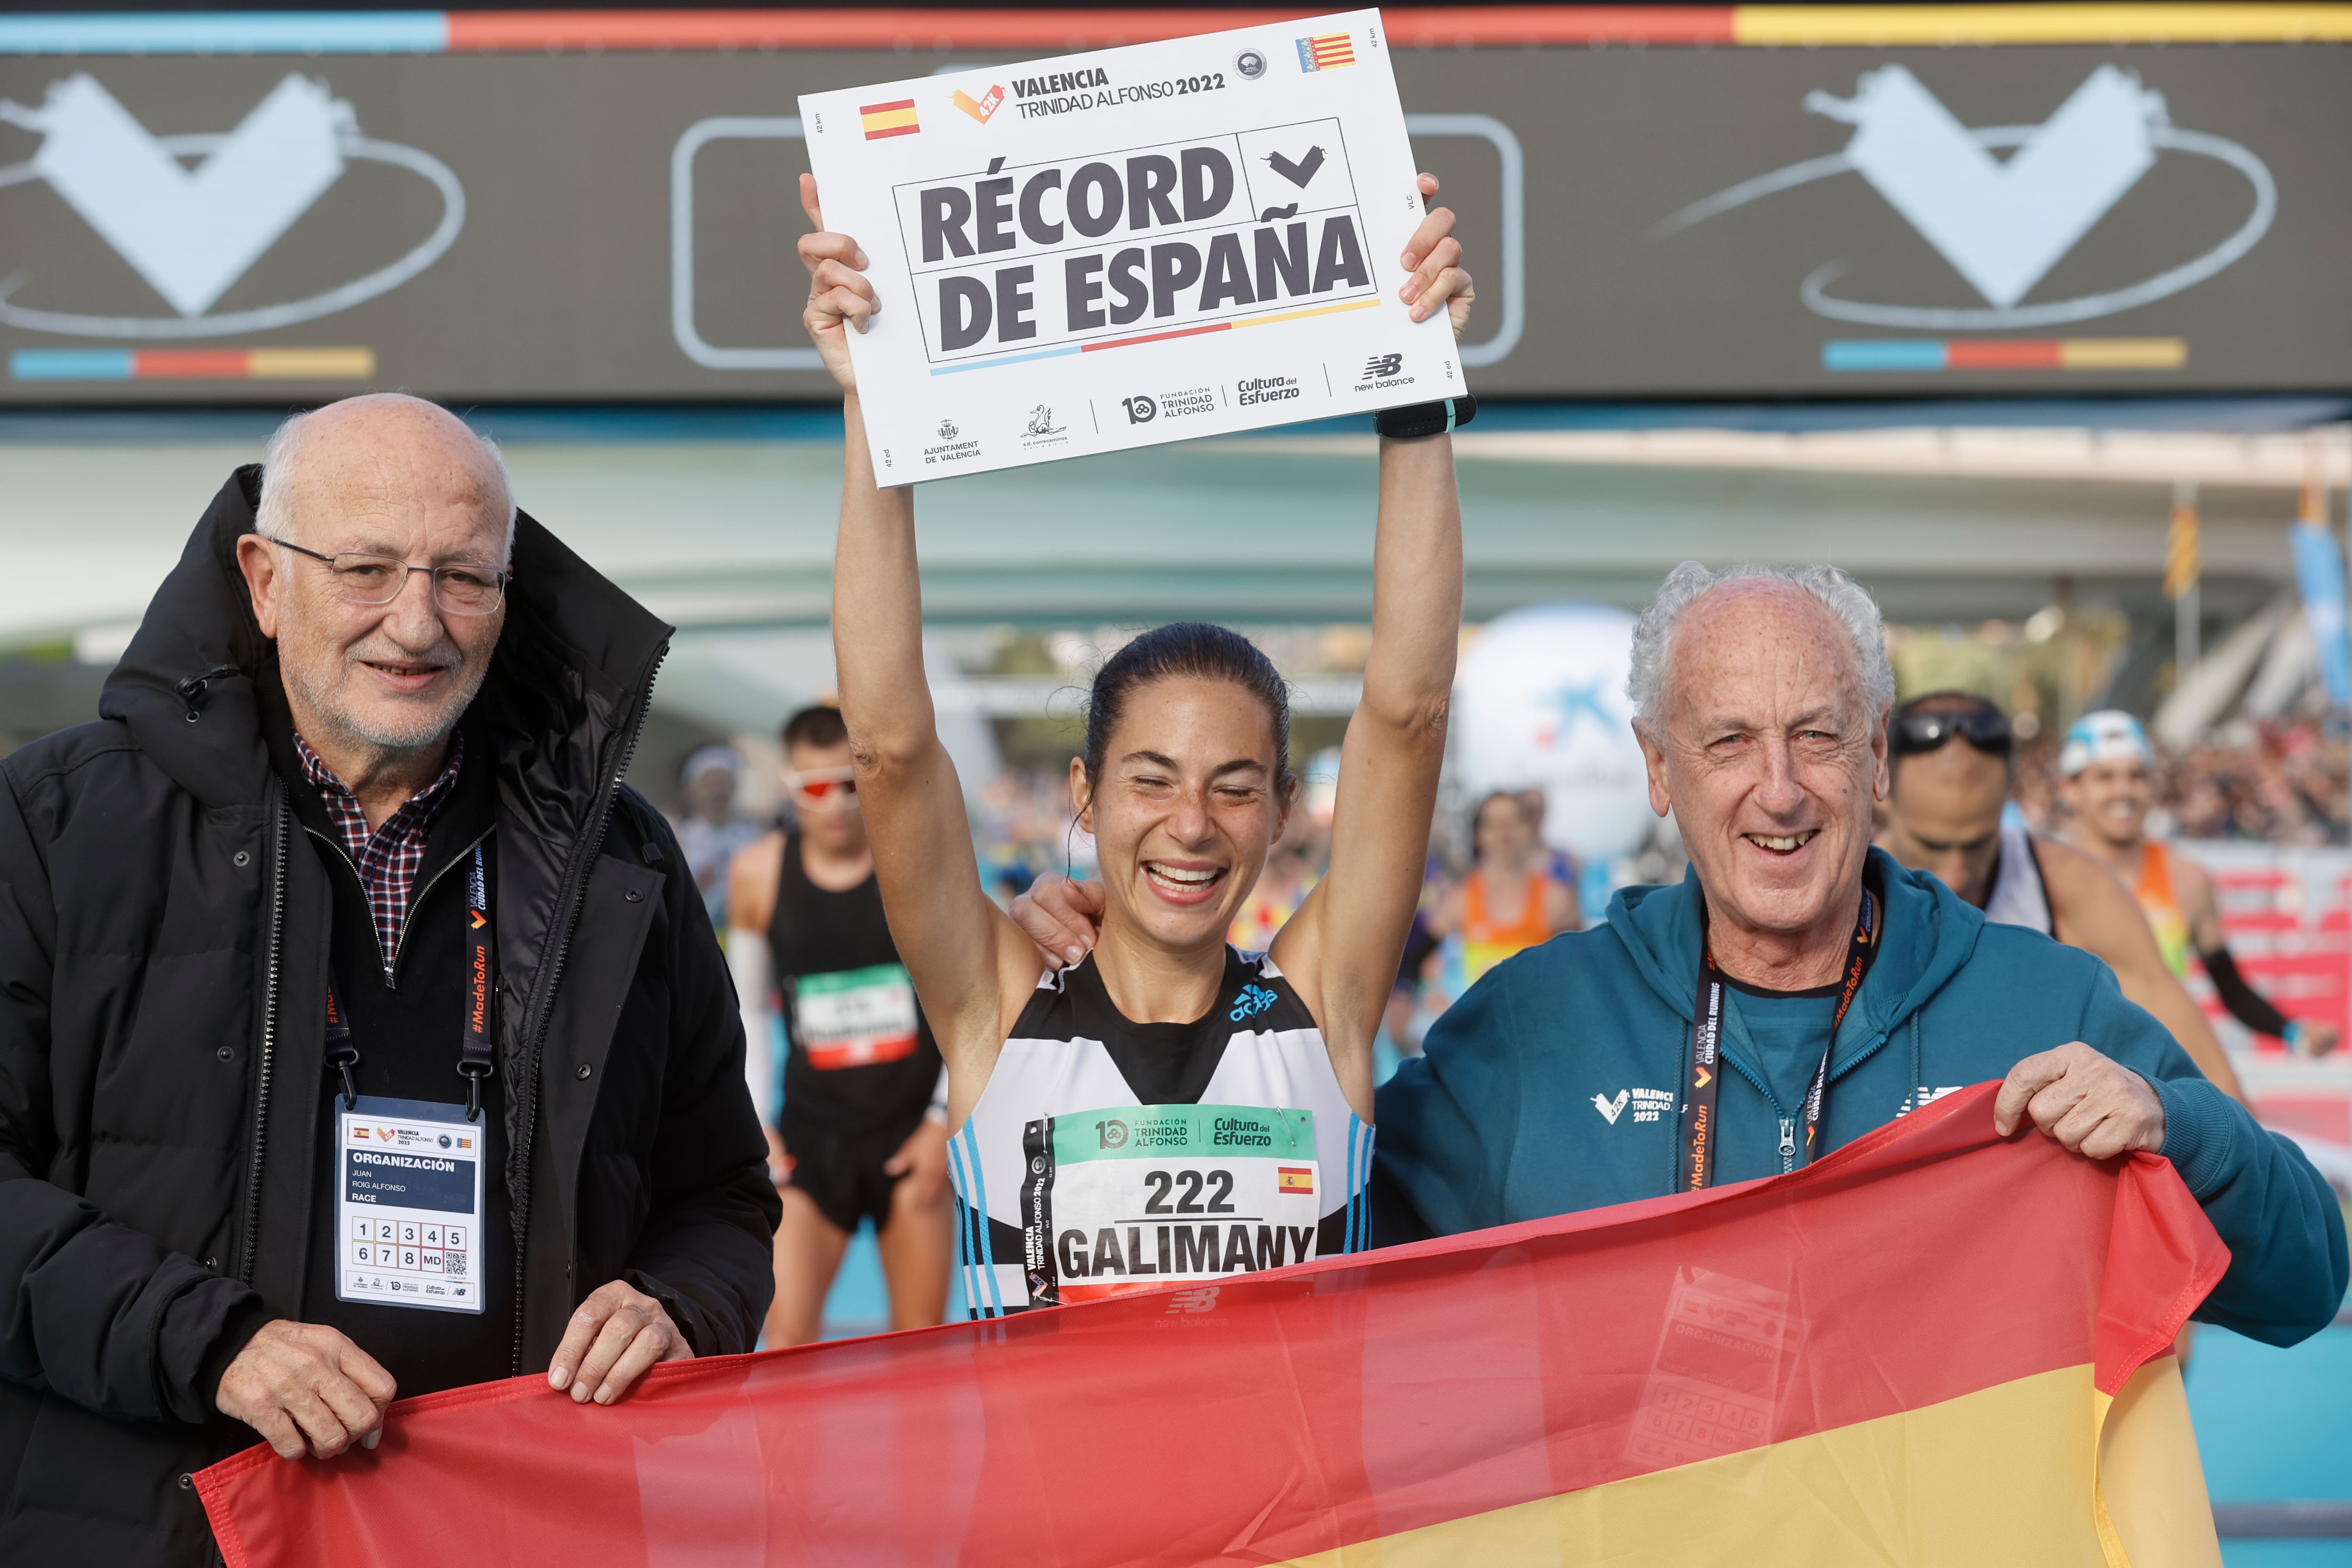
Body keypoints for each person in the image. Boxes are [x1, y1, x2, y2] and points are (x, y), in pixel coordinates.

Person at [0, 395, 779, 1562]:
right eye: (366, 568)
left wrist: (682, 1308)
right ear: (264, 580)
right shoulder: (57, 823)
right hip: (157, 1527)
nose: (416, 623)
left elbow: (721, 1196)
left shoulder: (621, 859)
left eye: (463, 577)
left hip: (516, 1526)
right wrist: (209, 1342)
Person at [798, 168, 1474, 1314]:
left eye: (1232, 787)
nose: (1191, 825)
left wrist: (1414, 392)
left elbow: (1405, 713)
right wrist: (877, 408)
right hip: (1045, 1507)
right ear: (1086, 793)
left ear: (1282, 809)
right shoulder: (997, 1010)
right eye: (1150, 781)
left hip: (1305, 1508)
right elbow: (891, 750)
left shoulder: (1328, 1000)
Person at [1369, 562, 2344, 1347]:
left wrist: (2179, 1126)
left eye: (1816, 735)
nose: (1780, 788)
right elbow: (1307, 1259)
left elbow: (2303, 1281)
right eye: (1730, 741)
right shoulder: (1532, 1030)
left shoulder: (2046, 1003)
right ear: (1658, 766)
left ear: (1876, 755)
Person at [1876, 691, 2247, 1099]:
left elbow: (2206, 1076)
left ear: (2008, 799)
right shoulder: (1848, 887)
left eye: (1978, 844)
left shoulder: (2069, 884)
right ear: (1880, 790)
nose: (1957, 874)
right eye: (1932, 846)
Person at [726, 704, 952, 1344]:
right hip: (810, 1140)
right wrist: (756, 1127)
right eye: (815, 788)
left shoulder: (916, 865)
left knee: (923, 1355)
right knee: (783, 1350)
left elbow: (967, 1002)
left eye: (850, 784)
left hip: (909, 1139)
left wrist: (941, 1123)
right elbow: (745, 1010)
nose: (834, 804)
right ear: (788, 786)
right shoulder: (760, 874)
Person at [2059, 710, 2340, 1057]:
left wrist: (2294, 1032)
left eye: (2137, 775)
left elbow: (2231, 989)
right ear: (2071, 789)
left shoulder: (2187, 879)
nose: (2124, 790)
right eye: (2105, 777)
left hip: (2154, 1081)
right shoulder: (2042, 873)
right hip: (2065, 1081)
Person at [1425, 790, 1580, 985]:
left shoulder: (1557, 900)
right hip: (1480, 1014)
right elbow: (1418, 966)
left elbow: (1578, 970)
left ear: (1529, 829)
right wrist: (1436, 991)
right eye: (1493, 823)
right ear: (1478, 835)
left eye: (1513, 821)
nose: (1504, 831)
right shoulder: (1458, 901)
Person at [672, 743, 763, 932]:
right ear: (690, 790)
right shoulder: (677, 838)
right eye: (710, 783)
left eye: (723, 782)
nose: (718, 791)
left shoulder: (754, 837)